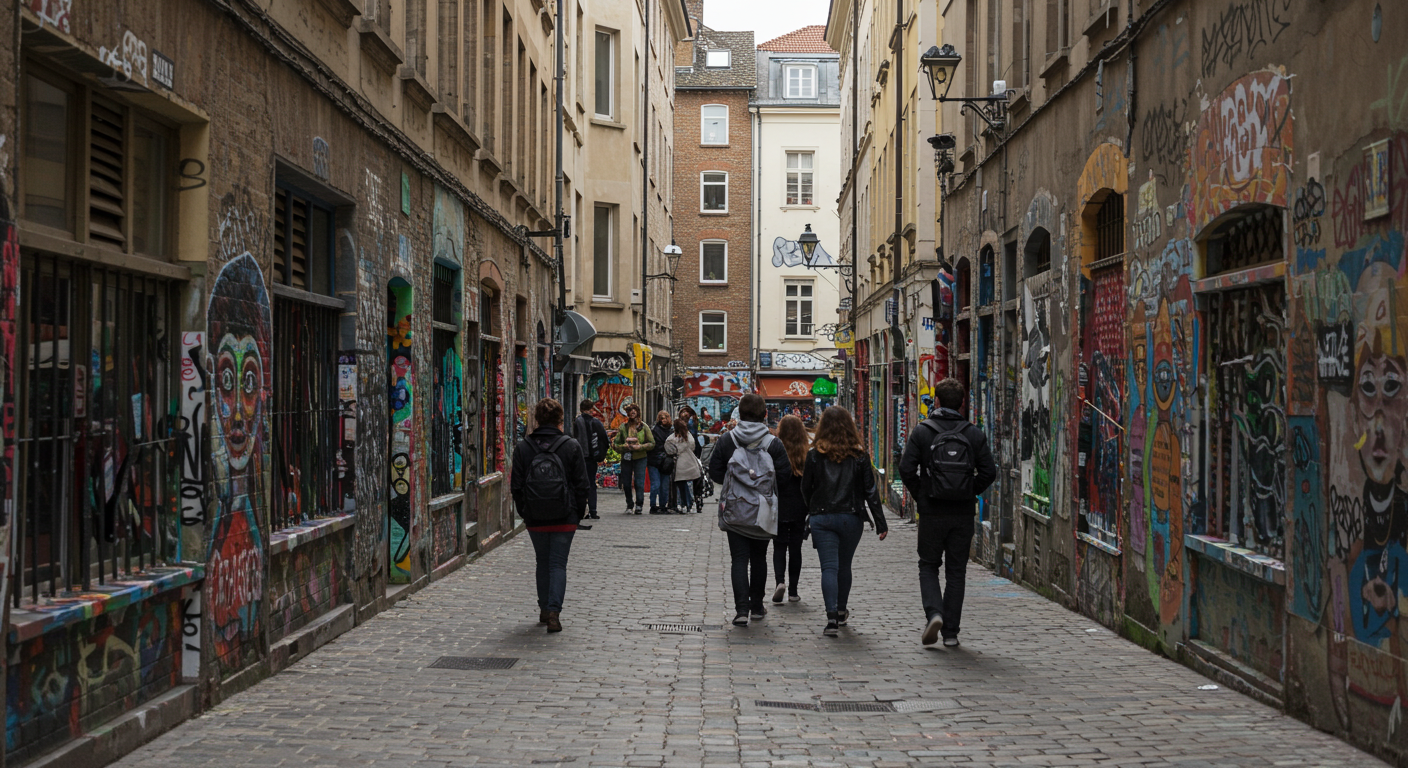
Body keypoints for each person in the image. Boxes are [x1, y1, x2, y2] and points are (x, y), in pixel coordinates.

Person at [899, 377, 998, 648]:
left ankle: (934, 613)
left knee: (928, 565)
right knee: (956, 571)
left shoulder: (923, 432)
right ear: (962, 403)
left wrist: (923, 494)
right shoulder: (973, 434)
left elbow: (906, 469)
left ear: (937, 401)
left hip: (932, 512)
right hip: (962, 514)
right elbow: (989, 471)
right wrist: (969, 491)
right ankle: (951, 633)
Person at [801, 406, 887, 637]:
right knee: (844, 565)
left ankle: (831, 618)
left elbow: (805, 487)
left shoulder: (814, 455)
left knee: (829, 567)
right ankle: (840, 610)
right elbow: (870, 491)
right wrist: (880, 523)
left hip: (822, 517)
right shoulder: (859, 456)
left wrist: (812, 508)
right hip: (851, 517)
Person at [708, 393, 791, 626]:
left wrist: (736, 483)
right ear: (764, 414)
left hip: (735, 510)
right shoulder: (773, 443)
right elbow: (784, 477)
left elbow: (714, 471)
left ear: (740, 413)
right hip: (763, 511)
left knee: (739, 559)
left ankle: (741, 610)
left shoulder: (727, 440)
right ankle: (756, 607)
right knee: (759, 558)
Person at [510, 398, 592, 633]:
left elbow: (516, 486)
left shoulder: (524, 447)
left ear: (537, 419)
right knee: (558, 563)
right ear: (560, 419)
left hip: (535, 517)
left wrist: (525, 512)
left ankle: (545, 608)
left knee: (542, 561)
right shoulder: (571, 446)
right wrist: (576, 513)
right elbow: (582, 485)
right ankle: (554, 612)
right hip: (565, 517)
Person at [770, 415, 810, 604]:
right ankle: (793, 591)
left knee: (779, 546)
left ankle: (780, 582)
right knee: (796, 548)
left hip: (779, 504)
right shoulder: (806, 453)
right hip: (799, 506)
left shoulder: (776, 451)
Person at [611, 403, 654, 514]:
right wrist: (624, 447)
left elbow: (652, 443)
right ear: (628, 414)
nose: (633, 412)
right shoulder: (623, 427)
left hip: (640, 457)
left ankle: (639, 504)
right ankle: (629, 505)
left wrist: (640, 447)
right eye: (630, 411)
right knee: (626, 483)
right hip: (626, 458)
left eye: (634, 410)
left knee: (639, 482)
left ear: (638, 412)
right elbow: (615, 444)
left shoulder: (644, 427)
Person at [574, 399, 610, 519]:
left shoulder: (577, 422)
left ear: (581, 409)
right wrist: (600, 454)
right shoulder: (596, 422)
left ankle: (581, 510)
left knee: (580, 484)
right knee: (591, 483)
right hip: (592, 458)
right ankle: (593, 510)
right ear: (591, 409)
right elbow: (605, 439)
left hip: (580, 457)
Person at [665, 418, 703, 514]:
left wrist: (677, 451)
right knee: (688, 485)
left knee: (681, 486)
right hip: (690, 463)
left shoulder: (672, 438)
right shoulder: (689, 436)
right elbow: (693, 446)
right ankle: (690, 504)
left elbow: (669, 449)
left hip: (679, 465)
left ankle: (684, 504)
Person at [647, 410, 674, 514]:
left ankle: (663, 505)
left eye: (666, 417)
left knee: (664, 486)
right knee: (656, 484)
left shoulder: (671, 431)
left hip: (666, 462)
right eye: (662, 418)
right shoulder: (654, 430)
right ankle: (653, 505)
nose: (664, 420)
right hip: (654, 460)